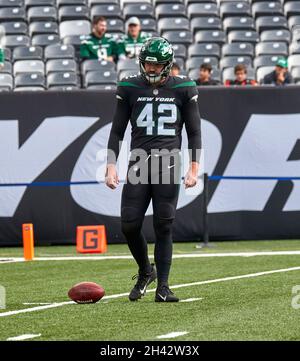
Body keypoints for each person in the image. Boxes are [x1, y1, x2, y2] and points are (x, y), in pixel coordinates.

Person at [105, 37, 201, 303]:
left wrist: (194, 168)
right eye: (147, 63)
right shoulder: (129, 86)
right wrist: (110, 164)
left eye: (157, 65)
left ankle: (164, 286)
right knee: (129, 224)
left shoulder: (184, 87)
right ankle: (146, 270)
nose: (151, 69)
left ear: (167, 65)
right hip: (139, 161)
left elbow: (194, 132)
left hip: (168, 162)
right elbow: (117, 130)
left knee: (163, 225)